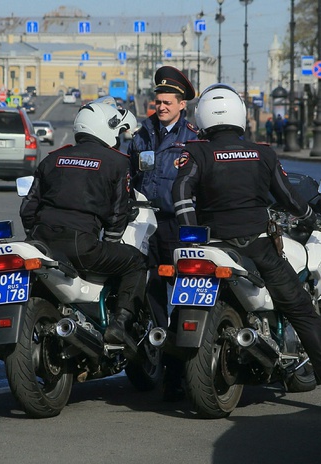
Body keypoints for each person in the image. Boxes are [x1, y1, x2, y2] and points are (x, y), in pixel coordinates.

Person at [172, 83, 321, 395]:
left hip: (212, 245)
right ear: (240, 115)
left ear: (202, 116)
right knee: (301, 310)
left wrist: (192, 232)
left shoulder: (195, 152)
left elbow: (180, 192)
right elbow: (288, 197)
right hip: (258, 246)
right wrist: (309, 217)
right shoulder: (262, 153)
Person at [20, 101, 146, 347]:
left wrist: (35, 235)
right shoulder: (117, 162)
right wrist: (111, 243)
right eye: (119, 132)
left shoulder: (52, 159)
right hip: (81, 246)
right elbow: (118, 216)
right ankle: (119, 325)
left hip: (39, 243)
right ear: (107, 129)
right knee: (136, 262)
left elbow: (27, 210)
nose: (120, 138)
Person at [128, 65, 197, 402]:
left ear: (182, 104)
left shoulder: (193, 139)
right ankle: (153, 350)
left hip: (175, 226)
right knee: (147, 291)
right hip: (143, 223)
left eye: (168, 101)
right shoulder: (141, 135)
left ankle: (178, 374)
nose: (162, 106)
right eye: (158, 101)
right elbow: (129, 176)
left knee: (184, 298)